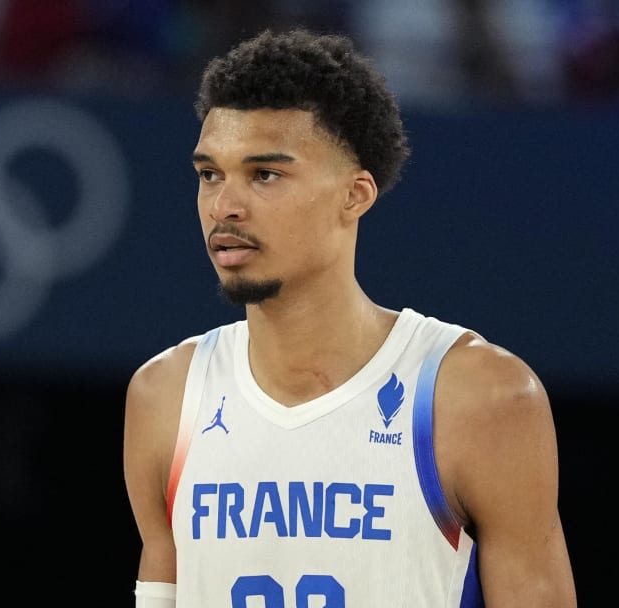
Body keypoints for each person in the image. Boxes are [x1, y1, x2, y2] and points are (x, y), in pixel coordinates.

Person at [122, 28, 578, 607]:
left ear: (355, 195)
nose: (224, 206)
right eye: (210, 174)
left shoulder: (478, 396)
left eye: (265, 175)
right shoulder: (165, 395)